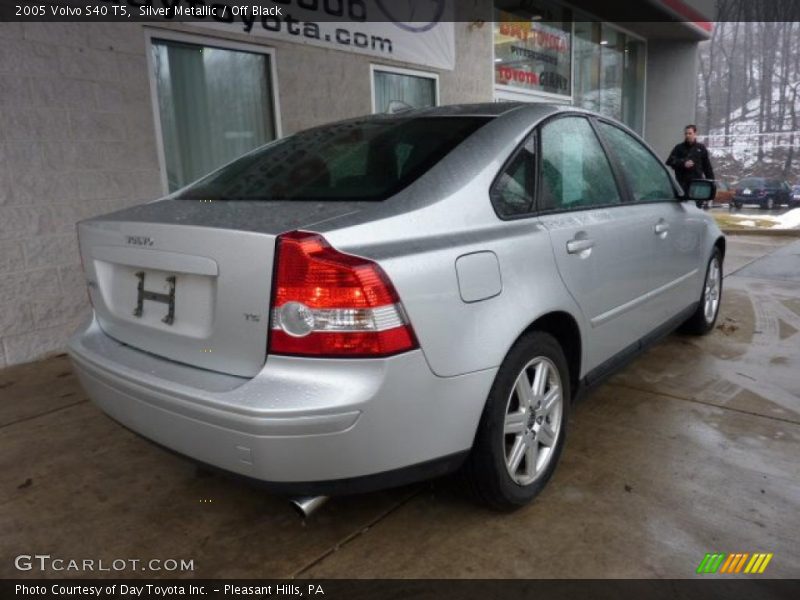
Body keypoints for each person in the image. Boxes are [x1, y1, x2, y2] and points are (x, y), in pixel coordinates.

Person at [666, 124, 715, 195]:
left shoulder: (701, 148)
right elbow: (670, 161)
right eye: (686, 133)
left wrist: (711, 183)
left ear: (695, 134)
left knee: (697, 204)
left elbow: (707, 167)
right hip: (682, 184)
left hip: (697, 184)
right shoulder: (679, 148)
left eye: (690, 133)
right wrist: (683, 163)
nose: (687, 135)